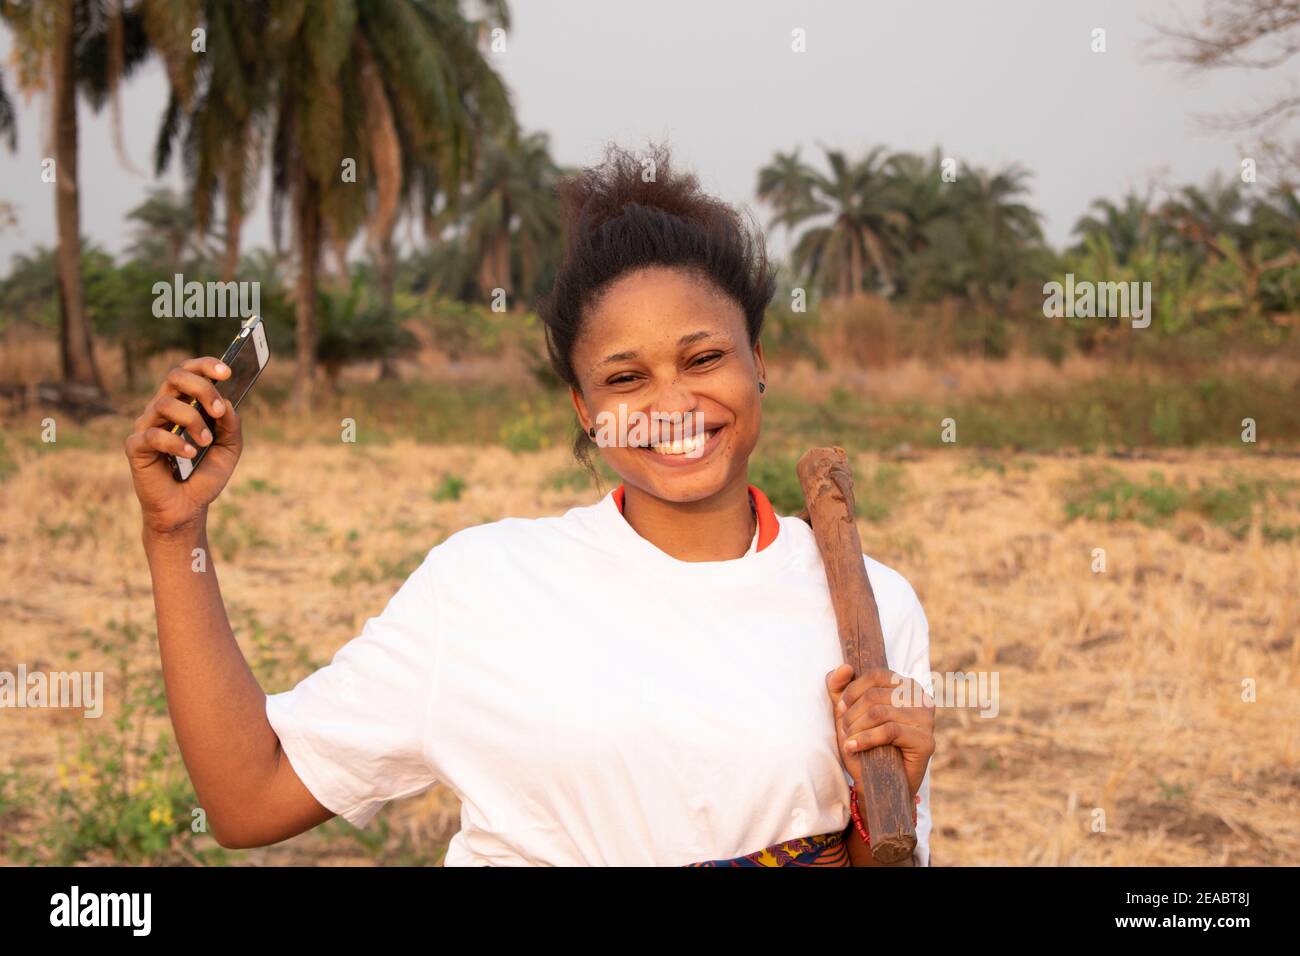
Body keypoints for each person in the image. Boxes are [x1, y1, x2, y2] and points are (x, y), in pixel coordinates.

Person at [124, 141, 936, 867]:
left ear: (756, 360)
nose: (674, 402)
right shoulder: (485, 586)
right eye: (625, 378)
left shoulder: (869, 604)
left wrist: (889, 795)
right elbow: (247, 798)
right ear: (584, 409)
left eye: (703, 357)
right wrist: (175, 531)